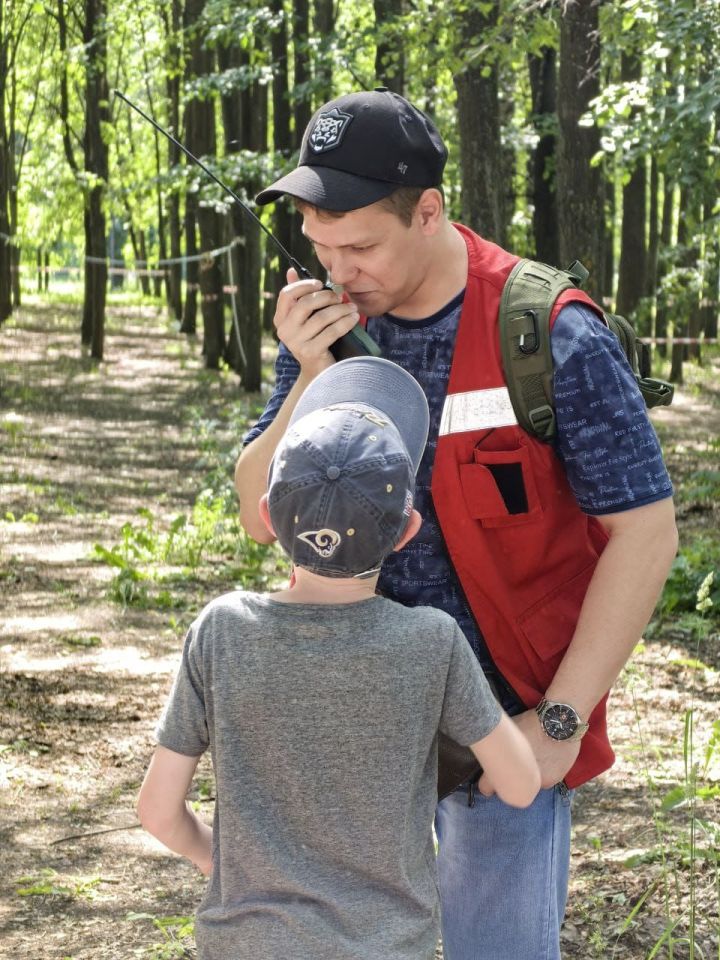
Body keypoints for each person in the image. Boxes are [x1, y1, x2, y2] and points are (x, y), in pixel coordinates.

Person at [234, 88, 679, 960]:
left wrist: (558, 727)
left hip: (502, 732)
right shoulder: (330, 326)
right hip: (356, 719)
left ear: (428, 211)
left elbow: (647, 532)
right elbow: (260, 514)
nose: (337, 269)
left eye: (359, 245)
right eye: (320, 247)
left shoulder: (549, 332)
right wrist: (306, 374)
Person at [137, 355, 541, 960]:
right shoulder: (432, 641)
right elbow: (519, 783)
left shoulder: (222, 630)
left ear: (270, 518)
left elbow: (157, 811)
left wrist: (214, 860)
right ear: (406, 531)